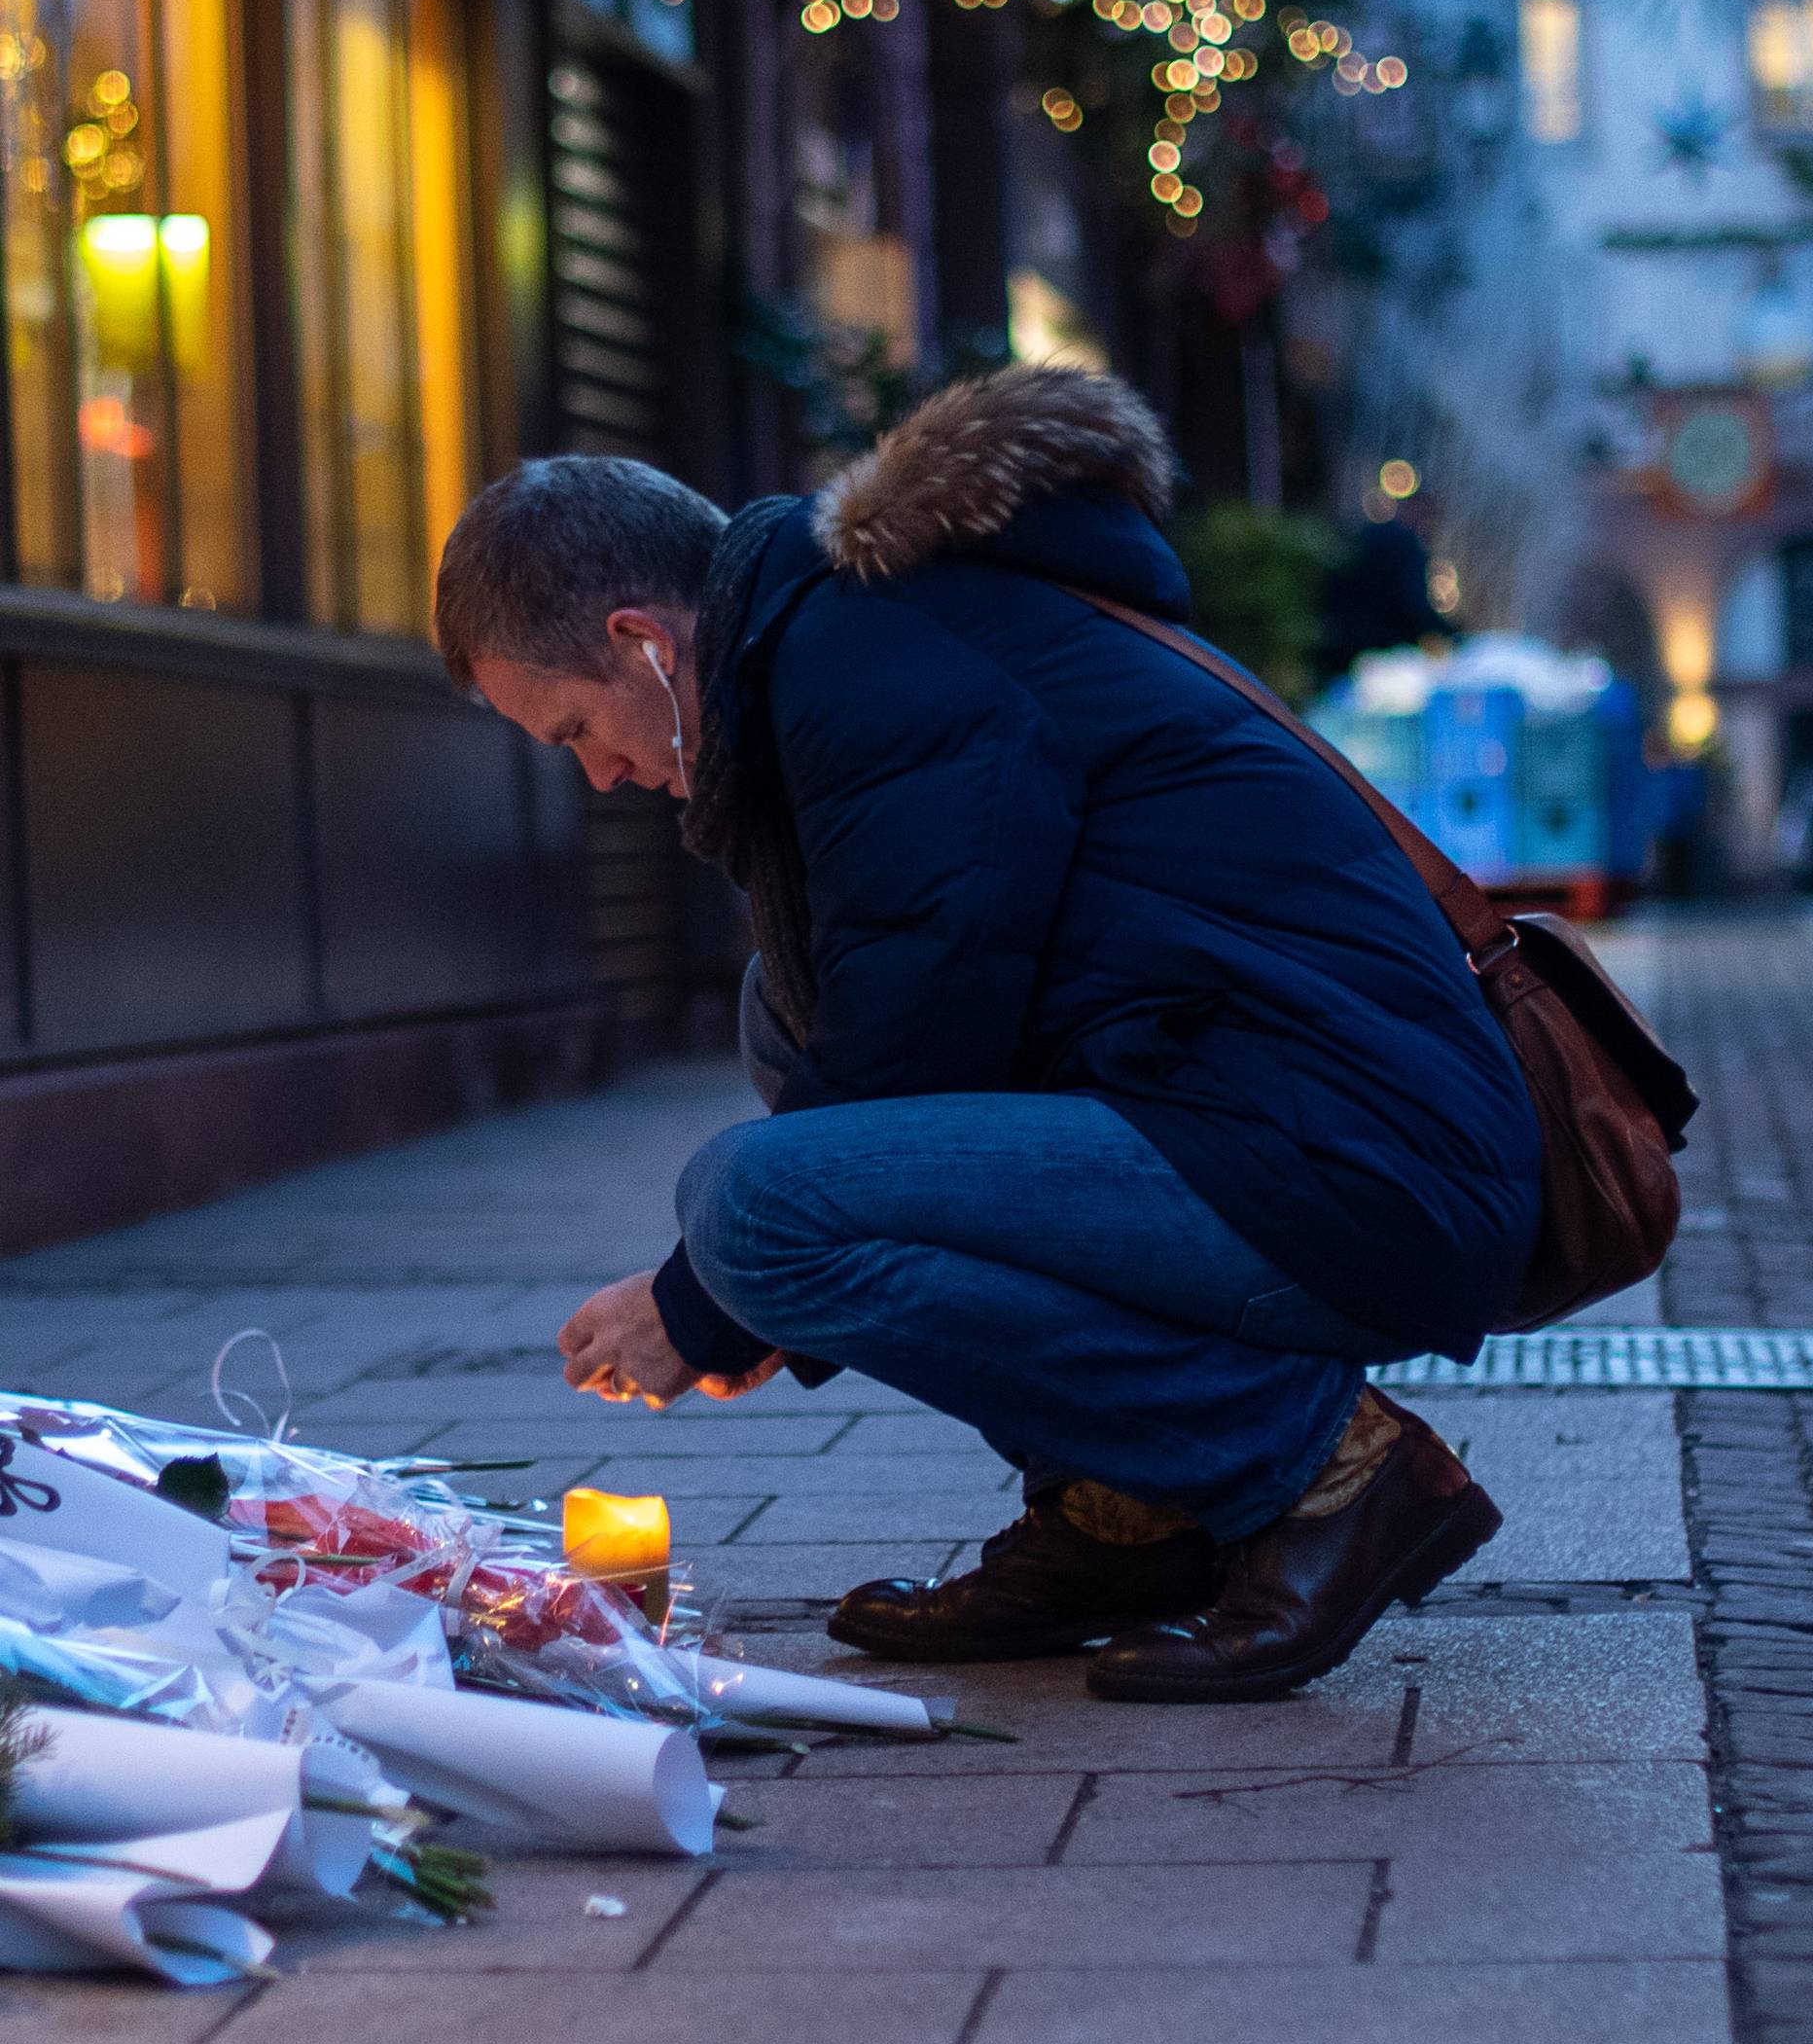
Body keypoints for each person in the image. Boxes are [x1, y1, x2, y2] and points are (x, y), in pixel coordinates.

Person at [436, 366, 1542, 1703]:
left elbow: (918, 1047)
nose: (601, 774)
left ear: (641, 642)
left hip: (1353, 1160)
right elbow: (903, 1034)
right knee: (780, 1022)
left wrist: (700, 1309)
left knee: (752, 1207)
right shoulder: (849, 643)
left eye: (574, 730)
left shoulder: (872, 659)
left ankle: (1324, 1472)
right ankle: (1124, 1516)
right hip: (1266, 1120)